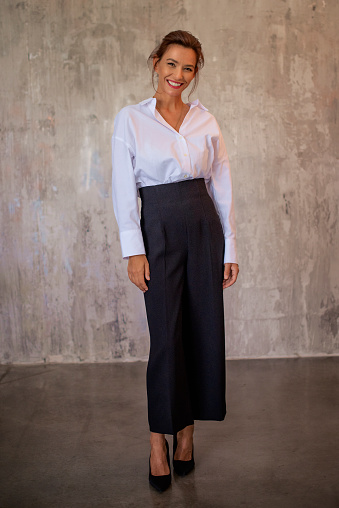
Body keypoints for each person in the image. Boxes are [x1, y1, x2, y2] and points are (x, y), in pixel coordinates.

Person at [111, 30, 239, 492]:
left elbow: (220, 184)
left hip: (204, 227)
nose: (178, 76)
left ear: (195, 71)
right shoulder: (131, 119)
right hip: (158, 227)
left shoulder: (206, 120)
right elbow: (123, 186)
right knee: (166, 335)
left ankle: (186, 433)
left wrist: (232, 248)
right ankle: (156, 440)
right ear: (156, 63)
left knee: (203, 329)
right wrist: (133, 249)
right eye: (171, 65)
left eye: (187, 68)